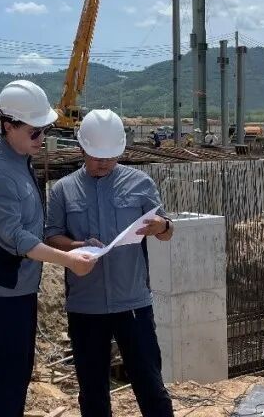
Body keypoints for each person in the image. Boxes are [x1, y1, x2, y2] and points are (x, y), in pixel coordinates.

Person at [0, 80, 95, 417]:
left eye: (45, 130)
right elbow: (15, 237)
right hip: (0, 296)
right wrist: (67, 259)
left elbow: (30, 227)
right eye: (35, 131)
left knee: (16, 379)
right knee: (1, 388)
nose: (42, 138)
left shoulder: (20, 158)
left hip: (19, 291)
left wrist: (72, 245)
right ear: (8, 126)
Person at [46, 109, 175, 417]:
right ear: (81, 148)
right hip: (85, 306)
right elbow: (51, 237)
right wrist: (77, 247)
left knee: (150, 385)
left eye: (110, 156)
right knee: (92, 392)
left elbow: (165, 230)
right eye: (96, 156)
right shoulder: (63, 190)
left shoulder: (140, 183)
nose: (103, 163)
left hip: (133, 304)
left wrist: (162, 226)